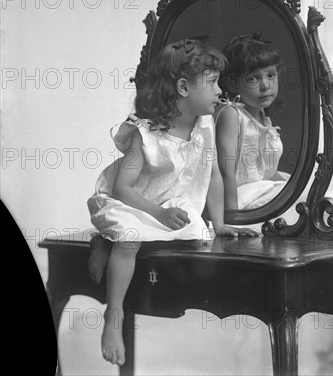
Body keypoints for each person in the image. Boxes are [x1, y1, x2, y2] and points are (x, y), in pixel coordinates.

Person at [87, 37, 257, 366]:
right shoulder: (146, 133)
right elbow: (123, 188)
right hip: (136, 203)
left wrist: (219, 224)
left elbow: (214, 176)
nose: (220, 91)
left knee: (191, 234)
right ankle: (114, 315)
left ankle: (104, 243)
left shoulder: (206, 124)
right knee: (130, 237)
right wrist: (159, 213)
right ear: (182, 87)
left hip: (171, 206)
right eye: (212, 83)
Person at [215, 32, 289, 211]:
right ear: (233, 84)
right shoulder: (231, 114)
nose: (265, 85)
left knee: (306, 190)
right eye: (253, 78)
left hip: (260, 190)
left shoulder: (262, 115)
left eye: (271, 75)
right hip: (238, 197)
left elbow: (263, 171)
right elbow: (226, 172)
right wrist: (233, 217)